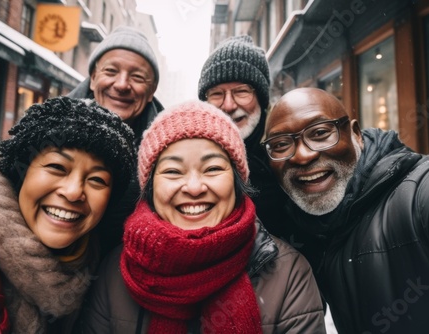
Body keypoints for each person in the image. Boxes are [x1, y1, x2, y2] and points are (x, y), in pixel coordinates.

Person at [81, 100, 326, 333]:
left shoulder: (288, 273)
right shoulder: (115, 272)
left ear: (237, 181)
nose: (194, 187)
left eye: (212, 169)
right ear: (150, 187)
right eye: (173, 171)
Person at [263, 87, 429, 334]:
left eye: (320, 132)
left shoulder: (424, 194)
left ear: (356, 134)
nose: (303, 156)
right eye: (281, 144)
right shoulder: (306, 231)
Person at [0, 96, 135, 333]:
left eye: (97, 180)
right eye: (56, 167)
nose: (74, 192)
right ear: (20, 174)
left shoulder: (97, 263)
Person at [68, 25, 164, 256]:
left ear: (151, 92)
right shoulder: (46, 129)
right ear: (93, 79)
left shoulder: (168, 151)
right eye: (111, 71)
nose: (121, 85)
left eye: (137, 77)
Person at [198, 35, 294, 239]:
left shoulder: (291, 153)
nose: (229, 105)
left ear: (261, 97)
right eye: (216, 94)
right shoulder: (191, 154)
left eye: (241, 92)